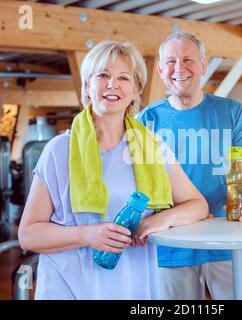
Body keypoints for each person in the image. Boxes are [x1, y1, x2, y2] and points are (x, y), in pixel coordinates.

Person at [18, 40, 209, 300]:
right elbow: (28, 235)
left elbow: (197, 205)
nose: (112, 84)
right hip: (68, 288)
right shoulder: (59, 150)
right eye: (103, 75)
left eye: (123, 78)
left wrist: (158, 220)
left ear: (135, 90)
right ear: (88, 86)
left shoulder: (152, 148)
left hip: (132, 286)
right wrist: (88, 235)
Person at [137, 32, 242, 300]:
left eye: (188, 59)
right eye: (170, 61)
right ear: (160, 69)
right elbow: (140, 182)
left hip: (227, 238)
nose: (179, 68)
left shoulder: (230, 111)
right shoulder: (147, 119)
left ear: (203, 66)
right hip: (171, 246)